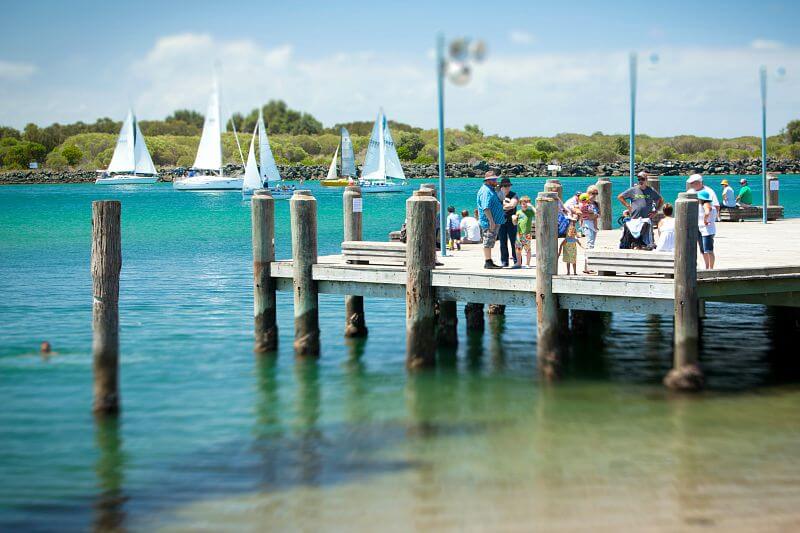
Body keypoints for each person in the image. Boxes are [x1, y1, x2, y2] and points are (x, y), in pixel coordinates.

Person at [617, 171, 663, 246]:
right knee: (635, 237)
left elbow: (660, 200)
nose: (640, 181)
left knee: (648, 237)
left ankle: (649, 245)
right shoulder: (633, 190)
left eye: (642, 179)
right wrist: (628, 206)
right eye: (639, 179)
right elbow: (620, 197)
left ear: (646, 180)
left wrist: (656, 211)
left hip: (647, 219)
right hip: (635, 218)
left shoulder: (651, 190)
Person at [476, 171, 505, 269]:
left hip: (495, 220)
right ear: (488, 181)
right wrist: (491, 221)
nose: (496, 181)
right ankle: (488, 261)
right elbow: (485, 207)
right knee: (488, 240)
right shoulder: (485, 191)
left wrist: (498, 190)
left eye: (496, 179)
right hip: (489, 222)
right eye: (493, 179)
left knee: (491, 241)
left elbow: (502, 199)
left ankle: (489, 261)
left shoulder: (492, 189)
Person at [496, 177, 519, 267]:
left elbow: (512, 205)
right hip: (501, 221)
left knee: (514, 241)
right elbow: (495, 206)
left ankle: (516, 259)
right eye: (505, 186)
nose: (507, 187)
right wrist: (505, 205)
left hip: (512, 221)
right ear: (501, 187)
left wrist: (502, 205)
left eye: (508, 186)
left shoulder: (513, 194)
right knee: (502, 242)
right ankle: (504, 261)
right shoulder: (498, 194)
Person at [513, 196, 535, 268]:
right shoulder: (518, 212)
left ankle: (527, 264)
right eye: (523, 203)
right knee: (518, 249)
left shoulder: (530, 212)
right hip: (519, 234)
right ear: (520, 204)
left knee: (528, 249)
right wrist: (514, 219)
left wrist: (531, 206)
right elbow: (515, 223)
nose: (524, 205)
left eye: (526, 203)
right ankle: (519, 263)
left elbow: (538, 213)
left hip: (527, 234)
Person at [697, 189, 717, 269]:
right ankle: (707, 267)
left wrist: (705, 220)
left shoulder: (706, 204)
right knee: (704, 250)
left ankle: (711, 269)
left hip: (707, 231)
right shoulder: (706, 204)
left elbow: (707, 212)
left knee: (709, 250)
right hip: (702, 230)